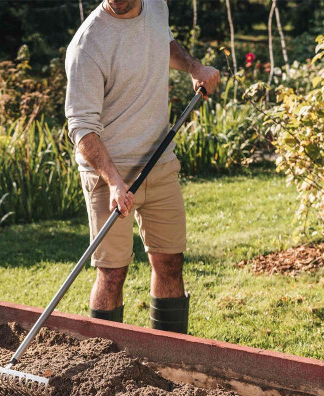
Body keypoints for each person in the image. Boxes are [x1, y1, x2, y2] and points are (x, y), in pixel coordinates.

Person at [65, 0, 220, 333]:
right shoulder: (88, 45)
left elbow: (162, 42)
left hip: (158, 160)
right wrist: (115, 181)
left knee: (170, 262)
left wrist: (193, 67)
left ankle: (168, 357)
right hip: (110, 169)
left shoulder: (155, 5)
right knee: (112, 271)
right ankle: (107, 367)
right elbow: (81, 128)